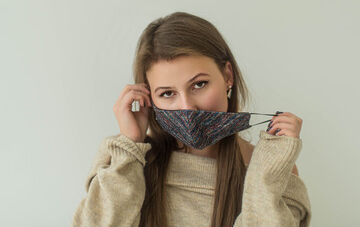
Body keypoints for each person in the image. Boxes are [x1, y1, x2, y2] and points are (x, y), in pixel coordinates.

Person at [71, 12, 311, 227]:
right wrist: (129, 147)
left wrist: (265, 174)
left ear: (228, 76)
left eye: (199, 84)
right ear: (150, 99)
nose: (187, 108)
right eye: (167, 94)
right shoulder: (123, 163)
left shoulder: (274, 169)